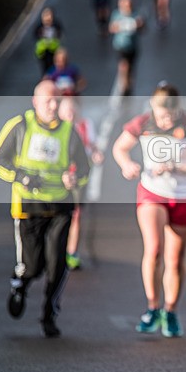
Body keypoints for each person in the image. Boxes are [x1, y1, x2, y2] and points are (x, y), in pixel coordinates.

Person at [0, 80, 91, 338]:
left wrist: (74, 178)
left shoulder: (68, 131)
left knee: (57, 263)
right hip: (28, 205)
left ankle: (49, 313)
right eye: (48, 101)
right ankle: (20, 284)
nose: (53, 106)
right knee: (33, 266)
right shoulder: (20, 126)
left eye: (57, 100)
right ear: (35, 102)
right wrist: (21, 177)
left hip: (60, 204)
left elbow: (84, 168)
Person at [112, 82, 186, 338]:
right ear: (153, 108)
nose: (166, 120)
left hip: (183, 195)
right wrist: (126, 164)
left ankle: (171, 310)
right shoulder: (143, 123)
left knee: (175, 260)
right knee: (154, 249)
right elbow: (120, 148)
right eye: (162, 114)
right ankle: (153, 307)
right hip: (152, 192)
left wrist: (176, 167)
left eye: (171, 115)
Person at [58, 96, 105, 271]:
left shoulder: (85, 125)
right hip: (58, 179)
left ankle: (72, 253)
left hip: (79, 178)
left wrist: (96, 153)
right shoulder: (55, 128)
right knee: (57, 215)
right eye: (66, 111)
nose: (70, 115)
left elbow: (92, 145)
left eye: (73, 111)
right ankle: (56, 250)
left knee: (76, 215)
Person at [109, 0, 145, 96]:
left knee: (131, 68)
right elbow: (111, 28)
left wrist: (139, 25)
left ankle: (129, 85)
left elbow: (143, 28)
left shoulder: (136, 14)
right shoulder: (117, 14)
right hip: (121, 45)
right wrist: (121, 26)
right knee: (124, 65)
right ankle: (123, 85)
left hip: (133, 46)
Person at [33, 7, 63, 76]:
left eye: (49, 15)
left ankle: (54, 76)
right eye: (45, 16)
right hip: (43, 51)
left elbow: (60, 34)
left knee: (54, 66)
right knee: (45, 67)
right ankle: (46, 77)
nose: (47, 18)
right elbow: (35, 35)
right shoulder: (39, 27)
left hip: (53, 50)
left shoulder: (56, 25)